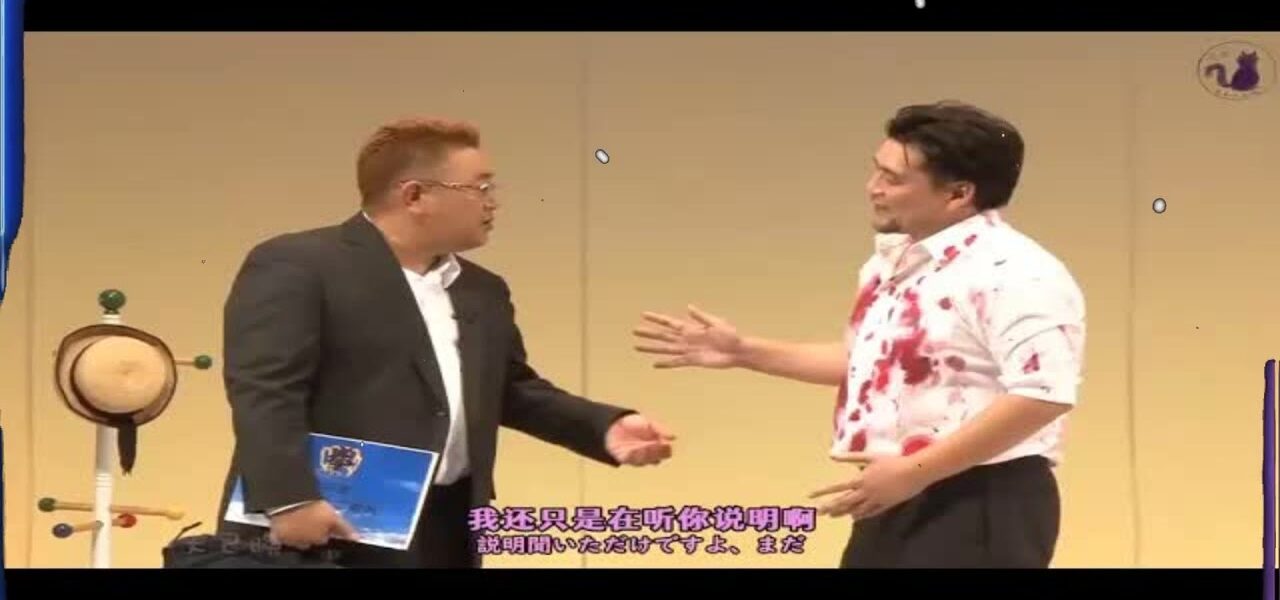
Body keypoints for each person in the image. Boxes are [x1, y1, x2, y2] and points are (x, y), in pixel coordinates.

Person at [632, 101, 1085, 568]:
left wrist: (915, 472)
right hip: (897, 488)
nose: (873, 188)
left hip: (980, 495)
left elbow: (1042, 394)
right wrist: (744, 352)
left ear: (958, 193)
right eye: (876, 170)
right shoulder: (892, 264)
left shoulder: (1015, 271)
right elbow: (867, 361)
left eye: (893, 179)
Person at [216, 116, 675, 569]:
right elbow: (265, 390)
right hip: (321, 527)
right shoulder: (300, 264)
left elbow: (510, 390)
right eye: (480, 187)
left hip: (446, 526)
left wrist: (603, 427)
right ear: (415, 195)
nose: (492, 202)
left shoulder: (482, 289)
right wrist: (289, 498)